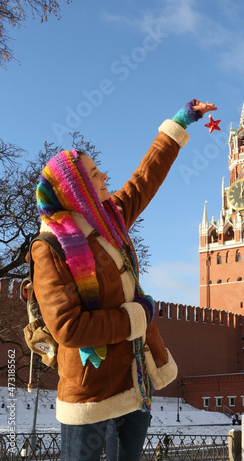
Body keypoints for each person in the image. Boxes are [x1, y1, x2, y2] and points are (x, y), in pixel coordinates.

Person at [32, 100, 217, 461]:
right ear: (76, 189)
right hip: (90, 391)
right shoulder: (50, 248)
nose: (104, 177)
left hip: (135, 381)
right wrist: (137, 316)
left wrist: (181, 122)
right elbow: (69, 328)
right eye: (94, 174)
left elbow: (145, 179)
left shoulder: (111, 220)